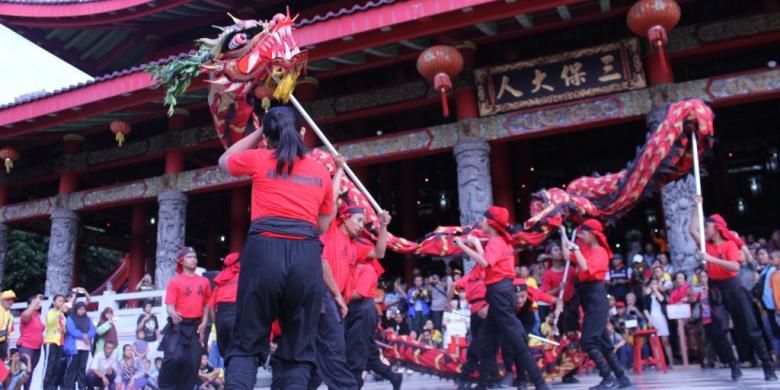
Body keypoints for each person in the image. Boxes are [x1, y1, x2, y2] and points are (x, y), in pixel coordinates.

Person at [219, 105, 336, 389]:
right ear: (303, 133)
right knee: (298, 348)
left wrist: (261, 128)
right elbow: (323, 225)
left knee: (246, 342)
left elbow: (224, 161)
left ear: (267, 137)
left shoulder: (260, 158)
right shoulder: (320, 171)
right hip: (306, 254)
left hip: (264, 252)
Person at [454, 205, 549, 390]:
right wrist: (477, 244)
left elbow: (483, 262)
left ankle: (540, 384)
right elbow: (488, 262)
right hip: (498, 293)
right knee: (487, 342)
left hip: (500, 294)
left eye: (483, 220)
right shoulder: (497, 241)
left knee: (518, 344)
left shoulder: (497, 242)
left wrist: (463, 245)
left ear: (490, 223)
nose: (480, 222)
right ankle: (482, 385)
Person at [689, 205, 777, 381]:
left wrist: (710, 259)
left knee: (750, 327)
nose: (704, 229)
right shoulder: (706, 245)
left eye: (707, 226)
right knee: (716, 331)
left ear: (717, 228)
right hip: (715, 289)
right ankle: (733, 364)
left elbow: (735, 266)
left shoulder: (729, 245)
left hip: (734, 287)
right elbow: (692, 229)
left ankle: (768, 366)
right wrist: (696, 206)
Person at [561, 219, 631, 390]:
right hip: (588, 297)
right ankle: (621, 377)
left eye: (584, 233)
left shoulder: (600, 252)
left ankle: (607, 378)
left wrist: (575, 249)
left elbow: (585, 267)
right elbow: (566, 255)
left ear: (593, 234)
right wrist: (562, 234)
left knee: (588, 341)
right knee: (604, 343)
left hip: (596, 297)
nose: (581, 236)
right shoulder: (585, 249)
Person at [159, 246, 212, 390]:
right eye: (189, 257)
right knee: (173, 359)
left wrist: (205, 322)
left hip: (196, 327)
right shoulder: (175, 282)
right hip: (178, 325)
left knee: (192, 363)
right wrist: (173, 314)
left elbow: (207, 304)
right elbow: (169, 305)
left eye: (195, 257)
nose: (193, 259)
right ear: (181, 261)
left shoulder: (204, 282)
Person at [346, 260, 402, 389]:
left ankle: (354, 385)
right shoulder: (353, 265)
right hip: (355, 310)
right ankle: (393, 377)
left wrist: (337, 294)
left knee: (356, 350)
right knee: (370, 353)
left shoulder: (367, 268)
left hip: (362, 311)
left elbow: (359, 293)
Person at [452, 266, 489, 387]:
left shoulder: (470, 276)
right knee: (480, 345)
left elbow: (453, 286)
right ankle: (471, 377)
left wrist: (448, 302)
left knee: (479, 345)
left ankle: (467, 376)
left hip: (481, 310)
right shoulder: (488, 272)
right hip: (483, 311)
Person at [208, 252, 240, 360]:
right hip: (237, 314)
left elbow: (211, 306)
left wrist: (215, 323)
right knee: (238, 352)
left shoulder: (220, 281)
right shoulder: (244, 277)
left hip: (221, 317)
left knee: (225, 354)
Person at [63, 301, 95, 390]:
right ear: (76, 309)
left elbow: (93, 329)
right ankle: (69, 387)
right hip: (74, 347)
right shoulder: (71, 318)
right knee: (72, 368)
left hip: (85, 347)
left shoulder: (88, 319)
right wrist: (82, 335)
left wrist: (87, 335)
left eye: (84, 309)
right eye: (80, 309)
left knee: (82, 368)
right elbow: (71, 330)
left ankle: (82, 387)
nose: (82, 311)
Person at [642, 278, 673, 368]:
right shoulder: (646, 297)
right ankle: (659, 362)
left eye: (655, 283)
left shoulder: (661, 294)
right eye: (652, 284)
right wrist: (649, 319)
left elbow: (662, 300)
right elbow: (645, 309)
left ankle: (670, 362)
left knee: (665, 341)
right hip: (652, 318)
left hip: (661, 318)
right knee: (654, 342)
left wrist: (656, 291)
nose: (653, 285)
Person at [16, 294, 43, 390]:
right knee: (21, 370)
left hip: (36, 348)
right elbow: (26, 316)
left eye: (39, 303)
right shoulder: (25, 313)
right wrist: (34, 303)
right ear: (29, 304)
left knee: (30, 371)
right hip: (26, 346)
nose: (37, 304)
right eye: (35, 302)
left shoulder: (37, 316)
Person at [43, 294, 67, 390]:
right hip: (50, 341)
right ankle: (45, 387)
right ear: (54, 302)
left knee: (57, 368)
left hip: (60, 342)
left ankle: (52, 387)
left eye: (63, 301)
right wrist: (60, 311)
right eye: (59, 301)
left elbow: (64, 329)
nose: (62, 303)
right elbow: (50, 322)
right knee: (49, 367)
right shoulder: (51, 312)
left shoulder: (62, 315)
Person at [0, 290, 16, 360]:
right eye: (8, 299)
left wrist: (7, 348)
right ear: (1, 300)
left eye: (12, 300)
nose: (10, 302)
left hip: (3, 343)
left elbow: (8, 334)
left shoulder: (10, 315)